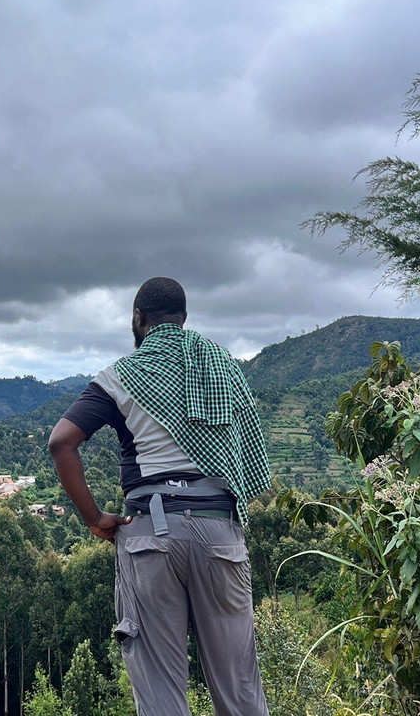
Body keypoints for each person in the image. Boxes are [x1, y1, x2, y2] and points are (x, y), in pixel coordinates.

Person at [48, 277, 271, 716]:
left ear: (138, 318)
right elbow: (250, 455)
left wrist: (95, 519)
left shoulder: (120, 376)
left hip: (150, 535)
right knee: (240, 689)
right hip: (220, 533)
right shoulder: (223, 367)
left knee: (161, 693)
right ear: (183, 319)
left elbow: (62, 442)